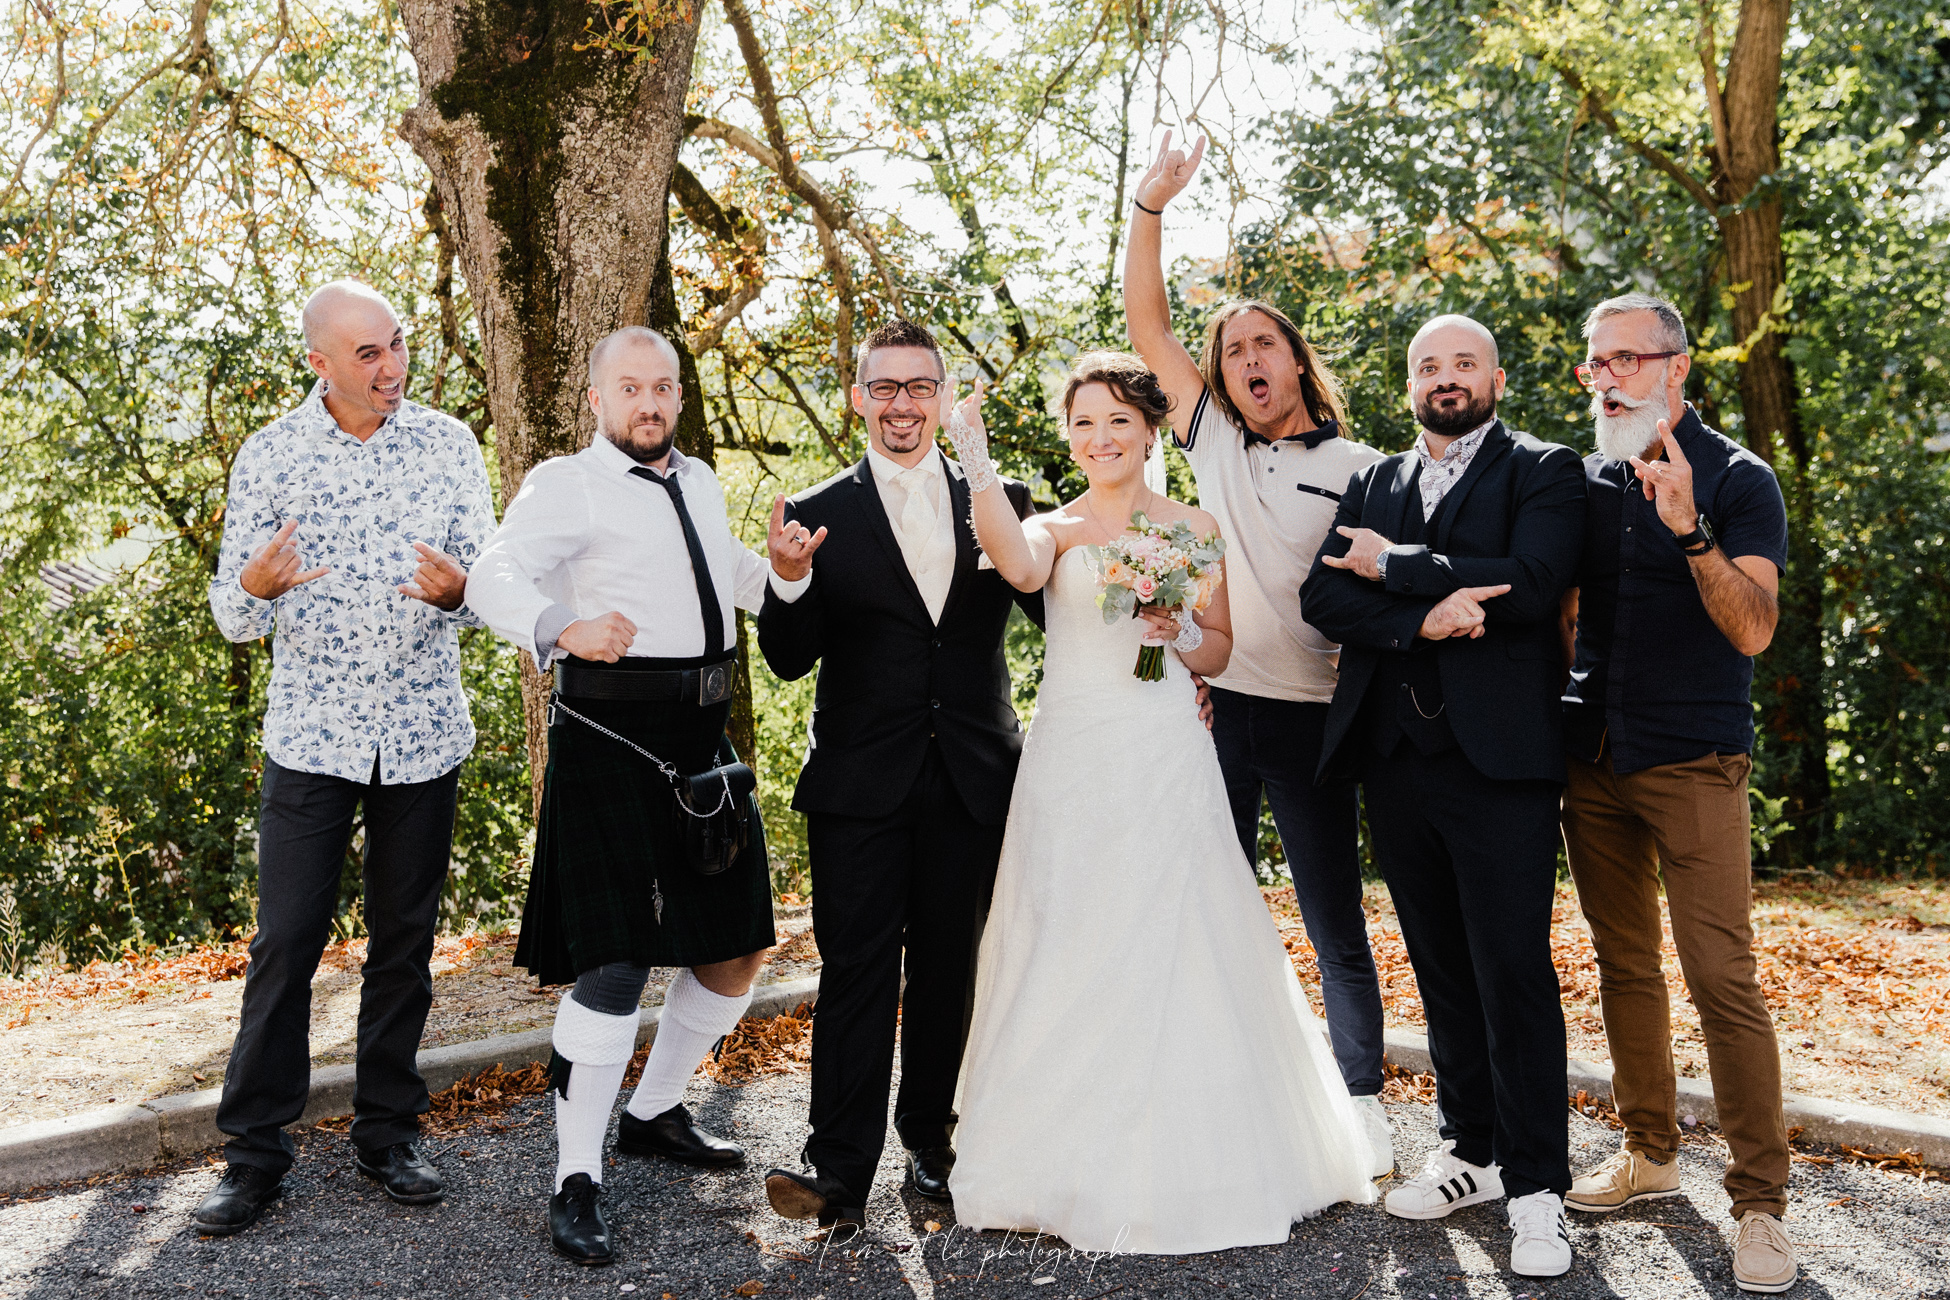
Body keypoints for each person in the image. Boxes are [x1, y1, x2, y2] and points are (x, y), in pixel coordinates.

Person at [946, 350, 1377, 1253]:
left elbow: (1218, 650)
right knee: (1067, 923)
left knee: (1179, 925)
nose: (1099, 438)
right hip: (1071, 751)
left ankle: (1205, 1152)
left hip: (1164, 744)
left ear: (1148, 431)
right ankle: (1053, 1152)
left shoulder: (1192, 527)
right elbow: (1015, 566)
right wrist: (976, 460)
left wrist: (1177, 629)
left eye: (1116, 422)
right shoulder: (1056, 527)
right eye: (1083, 424)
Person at [464, 326, 825, 1266]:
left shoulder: (698, 480)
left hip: (703, 741)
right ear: (598, 399)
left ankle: (655, 1112)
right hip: (612, 740)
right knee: (616, 965)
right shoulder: (565, 483)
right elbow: (492, 572)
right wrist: (561, 626)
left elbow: (735, 579)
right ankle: (574, 1176)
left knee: (740, 950)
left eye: (663, 387)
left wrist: (784, 570)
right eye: (631, 388)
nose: (650, 403)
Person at [195, 281, 498, 1236]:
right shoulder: (272, 455)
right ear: (319, 363)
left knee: (404, 946)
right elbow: (233, 619)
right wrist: (253, 580)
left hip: (421, 732)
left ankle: (388, 1132)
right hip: (313, 736)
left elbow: (491, 589)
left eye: (397, 344)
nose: (391, 365)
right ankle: (252, 1156)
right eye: (366, 353)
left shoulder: (449, 444)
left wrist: (461, 594)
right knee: (286, 942)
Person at [1122, 132, 1393, 1174]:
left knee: (1333, 920)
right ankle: (1227, 1103)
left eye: (1260, 347)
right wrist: (1150, 209)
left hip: (1316, 720)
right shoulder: (1214, 441)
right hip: (1218, 710)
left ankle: (1361, 1103)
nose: (1245, 364)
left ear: (1295, 359)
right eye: (1230, 353)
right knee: (1214, 910)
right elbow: (1148, 323)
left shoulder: (1367, 466)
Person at [1302, 314, 1586, 1278]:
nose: (1446, 378)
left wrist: (1394, 566)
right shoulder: (1375, 478)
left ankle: (1540, 1185)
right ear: (1411, 382)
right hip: (1394, 755)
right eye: (1430, 365)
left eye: (1464, 363)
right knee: (1439, 965)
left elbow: (1537, 582)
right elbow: (1320, 599)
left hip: (1501, 761)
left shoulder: (1545, 470)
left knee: (1512, 966)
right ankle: (1472, 1151)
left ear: (1496, 377)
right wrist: (1425, 614)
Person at [754, 319, 1044, 1233]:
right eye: (884, 387)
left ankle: (935, 1145)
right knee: (856, 972)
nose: (902, 404)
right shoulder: (812, 509)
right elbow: (788, 658)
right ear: (857, 399)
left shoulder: (1002, 497)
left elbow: (1061, 613)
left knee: (950, 969)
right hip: (858, 784)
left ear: (943, 397)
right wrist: (789, 578)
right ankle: (835, 1170)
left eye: (920, 387)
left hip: (972, 775)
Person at [1557, 293, 1796, 1295]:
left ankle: (1759, 1204)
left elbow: (1754, 629)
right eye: (1592, 363)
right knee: (1625, 968)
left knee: (1721, 980)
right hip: (1592, 760)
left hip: (1694, 758)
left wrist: (1691, 531)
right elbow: (1560, 610)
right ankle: (1651, 1153)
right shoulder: (1577, 479)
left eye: (1624, 360)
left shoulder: (1741, 480)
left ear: (1677, 368)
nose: (1605, 377)